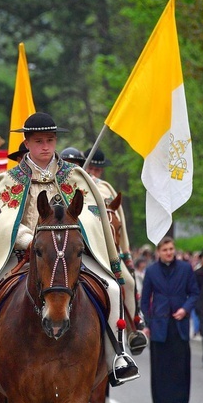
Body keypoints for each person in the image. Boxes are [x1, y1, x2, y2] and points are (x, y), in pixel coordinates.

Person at [0, 112, 139, 387]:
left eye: (50, 140)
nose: (45, 146)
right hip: (23, 253)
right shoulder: (10, 180)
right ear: (27, 142)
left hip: (69, 254)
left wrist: (70, 238)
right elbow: (3, 220)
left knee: (115, 288)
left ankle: (119, 355)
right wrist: (30, 241)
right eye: (38, 141)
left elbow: (92, 216)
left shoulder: (75, 176)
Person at [83, 147, 147, 355]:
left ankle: (132, 331)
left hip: (108, 250)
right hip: (81, 249)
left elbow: (120, 223)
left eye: (98, 170)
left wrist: (125, 253)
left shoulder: (107, 189)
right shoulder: (74, 183)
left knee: (127, 281)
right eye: (91, 167)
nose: (94, 172)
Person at [141, 236, 199, 403]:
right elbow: (144, 301)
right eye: (165, 250)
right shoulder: (151, 271)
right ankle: (162, 400)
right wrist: (147, 324)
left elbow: (194, 293)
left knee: (180, 362)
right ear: (159, 252)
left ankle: (180, 397)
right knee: (161, 364)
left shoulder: (185, 268)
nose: (169, 253)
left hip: (179, 322)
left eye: (171, 249)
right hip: (159, 323)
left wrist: (185, 309)